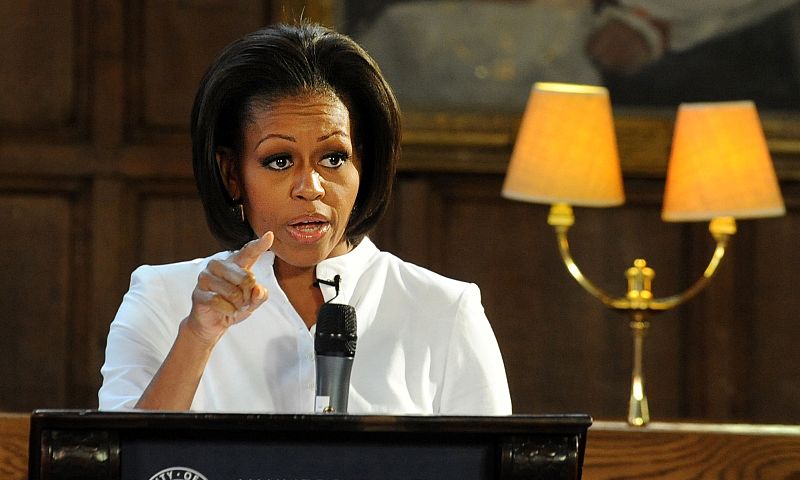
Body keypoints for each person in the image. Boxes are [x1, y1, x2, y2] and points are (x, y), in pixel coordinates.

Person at [98, 22, 512, 415]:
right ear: (232, 174)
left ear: (362, 165)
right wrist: (197, 336)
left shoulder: (444, 310)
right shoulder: (160, 300)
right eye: (279, 161)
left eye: (334, 158)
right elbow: (121, 473)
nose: (310, 187)